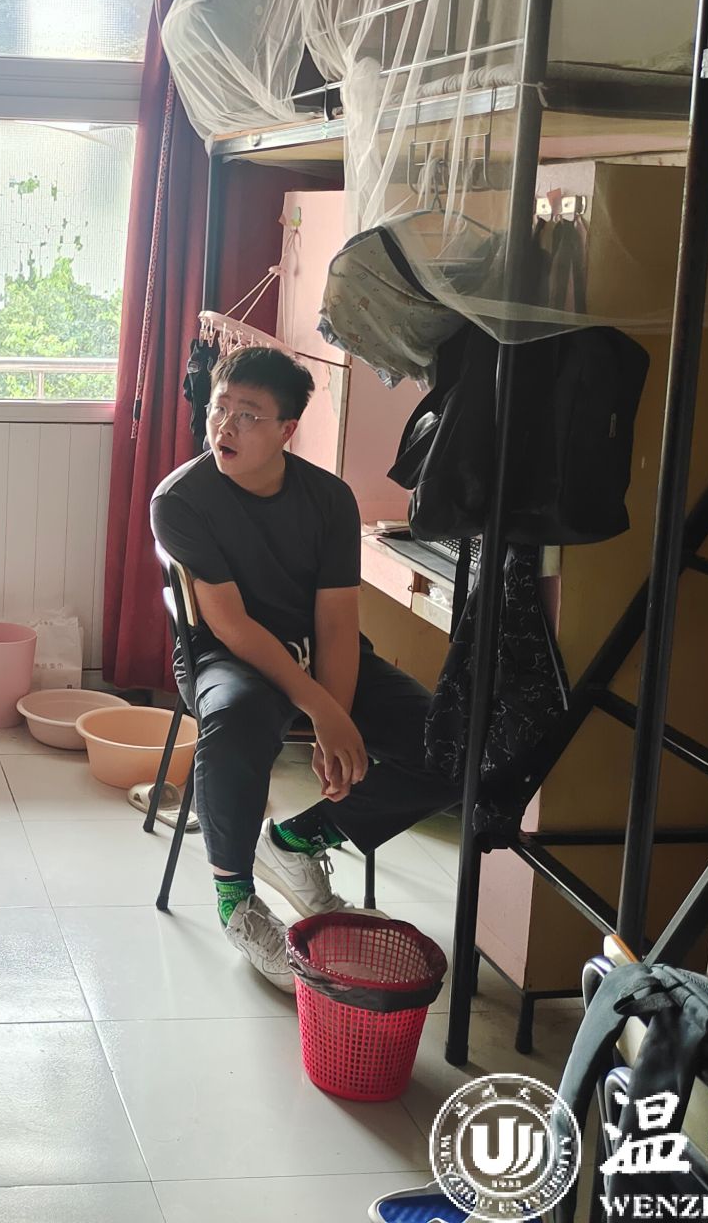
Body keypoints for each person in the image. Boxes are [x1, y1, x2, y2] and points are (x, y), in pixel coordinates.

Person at [149, 346, 451, 991]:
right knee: (237, 715)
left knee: (453, 744)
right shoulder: (181, 500)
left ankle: (294, 842)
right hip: (225, 655)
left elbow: (337, 622)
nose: (224, 426)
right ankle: (236, 898)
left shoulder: (329, 500)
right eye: (219, 408)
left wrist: (332, 715)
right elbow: (232, 625)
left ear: (288, 429)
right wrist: (322, 710)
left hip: (320, 651)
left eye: (248, 415)